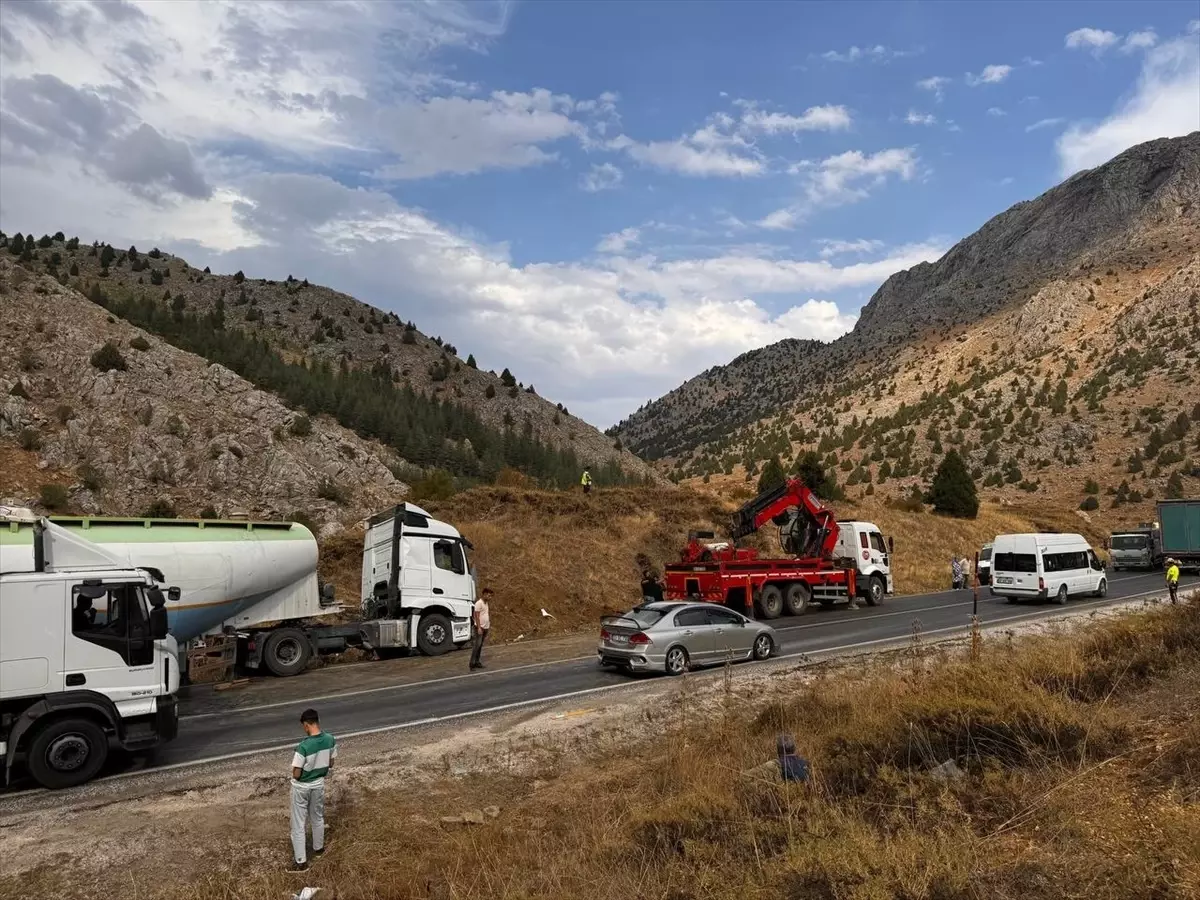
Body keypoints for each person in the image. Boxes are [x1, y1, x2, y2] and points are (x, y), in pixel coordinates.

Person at [288, 708, 336, 873]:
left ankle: (301, 862)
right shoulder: (330, 739)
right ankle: (319, 849)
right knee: (317, 817)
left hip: (302, 787)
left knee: (298, 823)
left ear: (307, 725)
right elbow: (331, 763)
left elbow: (296, 772)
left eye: (304, 726)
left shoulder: (303, 747)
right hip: (319, 784)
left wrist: (297, 777)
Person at [470, 587, 492, 670]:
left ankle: (477, 662)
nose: (490, 598)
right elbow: (476, 616)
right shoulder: (479, 603)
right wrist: (479, 628)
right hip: (480, 628)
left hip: (485, 627)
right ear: (485, 594)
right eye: (489, 596)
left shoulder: (486, 603)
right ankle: (472, 664)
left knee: (480, 646)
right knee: (477, 646)